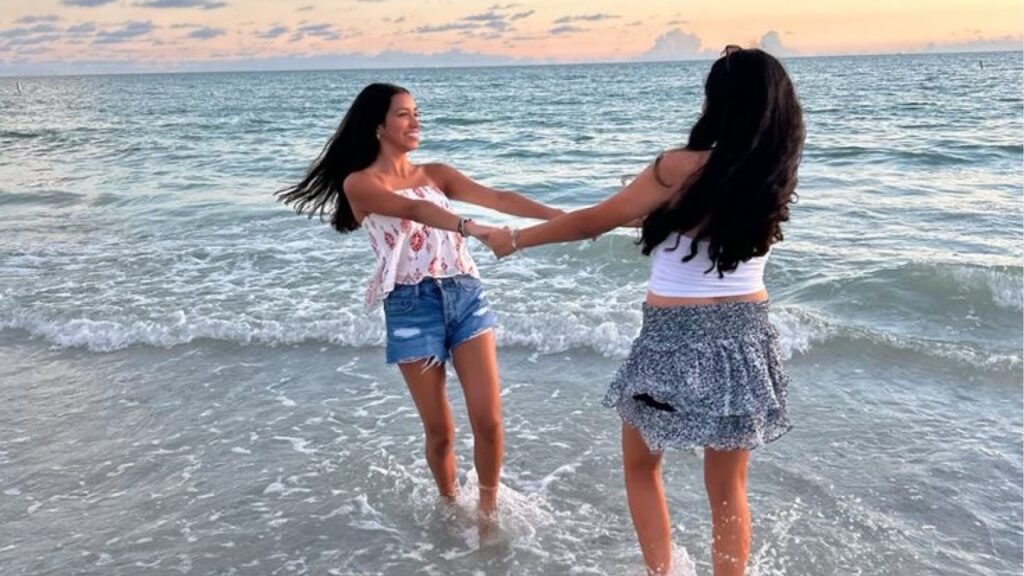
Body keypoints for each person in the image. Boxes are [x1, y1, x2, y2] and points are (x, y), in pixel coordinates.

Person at [481, 47, 804, 575]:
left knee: (640, 466)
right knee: (728, 490)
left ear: (718, 102)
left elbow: (594, 222)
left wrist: (515, 238)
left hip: (674, 338)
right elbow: (689, 228)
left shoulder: (678, 167)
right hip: (748, 335)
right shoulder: (772, 175)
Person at [276, 83, 562, 519]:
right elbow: (414, 212)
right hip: (412, 307)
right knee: (441, 432)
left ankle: (487, 514)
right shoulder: (360, 184)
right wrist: (476, 229)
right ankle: (450, 506)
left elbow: (501, 198)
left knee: (489, 421)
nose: (416, 121)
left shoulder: (437, 173)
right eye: (404, 114)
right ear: (378, 126)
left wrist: (573, 219)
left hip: (465, 294)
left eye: (416, 112)